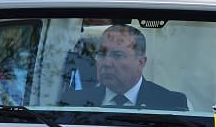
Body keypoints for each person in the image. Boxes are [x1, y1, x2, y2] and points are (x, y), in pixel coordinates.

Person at [59, 24, 188, 110]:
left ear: (141, 62)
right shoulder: (75, 102)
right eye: (101, 54)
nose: (107, 63)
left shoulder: (171, 104)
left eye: (118, 55)